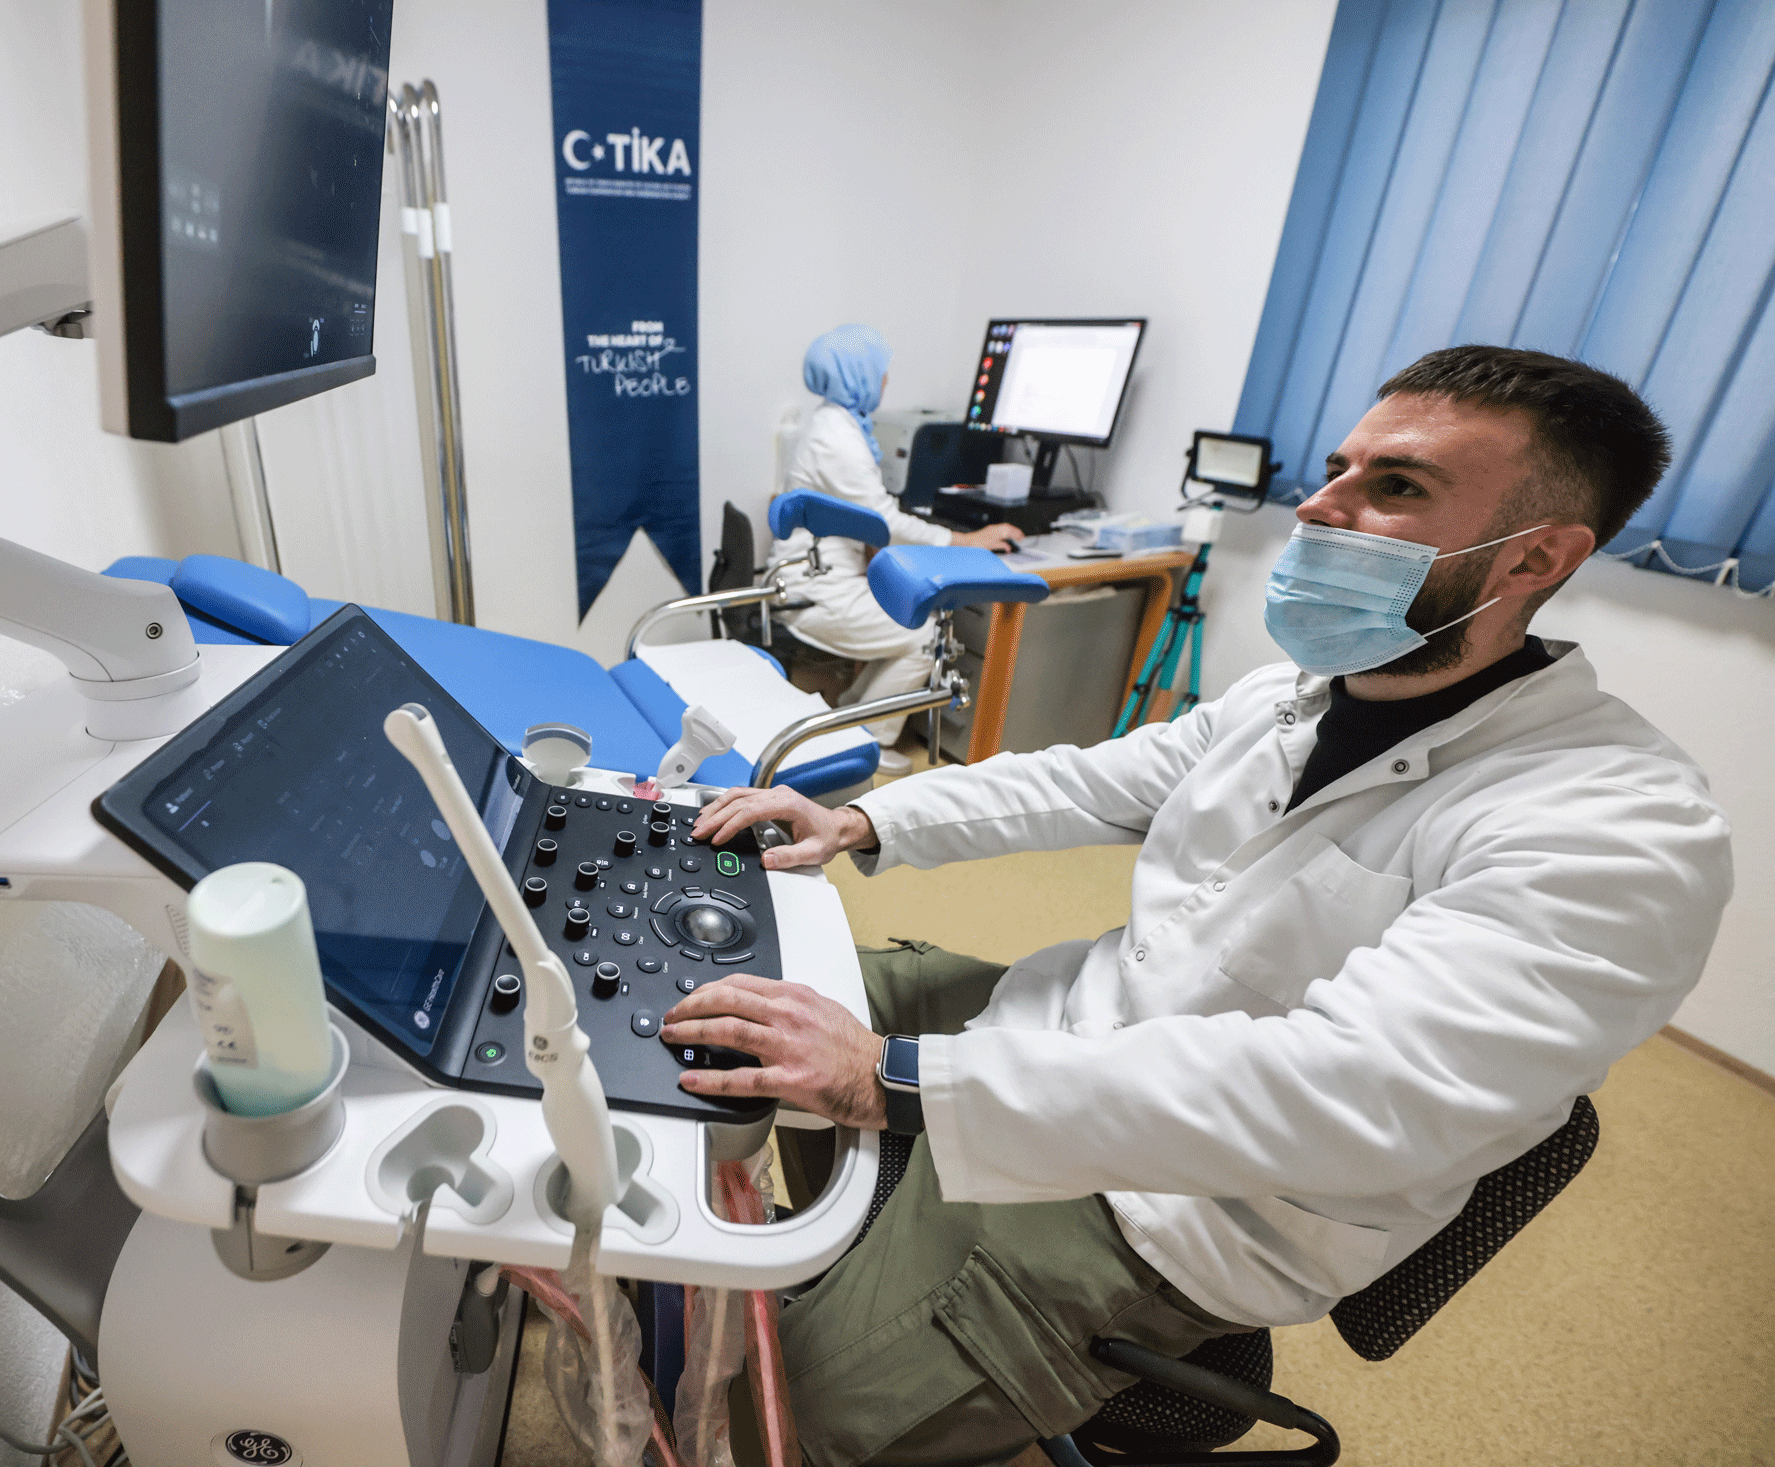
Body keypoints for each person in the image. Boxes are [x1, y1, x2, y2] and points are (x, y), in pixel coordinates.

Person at [663, 345, 1733, 1466]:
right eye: (1338, 468)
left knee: (764, 1436)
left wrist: (894, 1078)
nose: (1320, 506)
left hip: (1174, 1211)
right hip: (1050, 1033)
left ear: (1535, 556)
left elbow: (1344, 1093)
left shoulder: (1617, 829)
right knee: (722, 982)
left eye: (1396, 486)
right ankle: (828, 1253)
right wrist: (864, 820)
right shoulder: (1292, 697)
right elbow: (1090, 781)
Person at [773, 324, 1022, 776]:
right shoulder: (838, 438)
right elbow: (885, 522)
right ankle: (867, 741)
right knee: (926, 636)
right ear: (857, 375)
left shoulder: (835, 423)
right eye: (879, 371)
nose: (885, 380)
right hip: (818, 591)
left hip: (815, 578)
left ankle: (850, 720)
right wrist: (965, 539)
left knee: (916, 626)